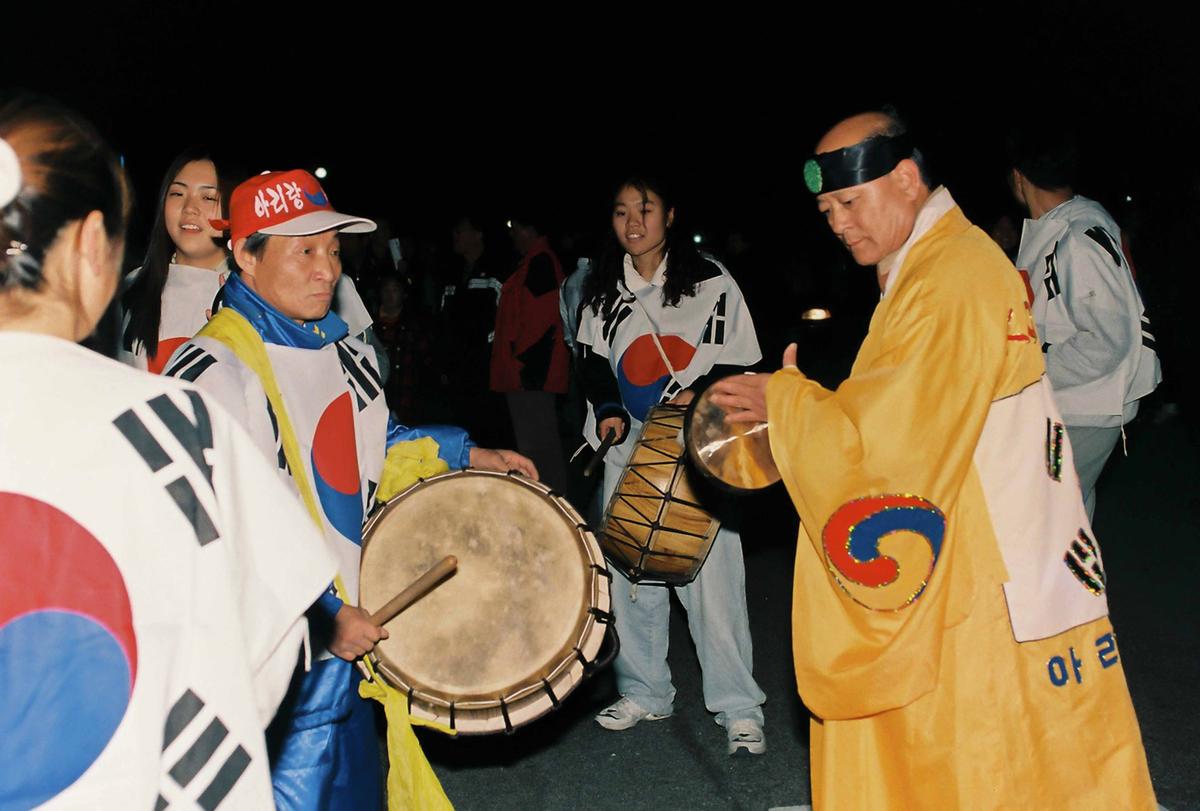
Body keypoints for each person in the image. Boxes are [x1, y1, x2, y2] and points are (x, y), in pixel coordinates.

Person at [712, 111, 1156, 808]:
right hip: (1006, 547)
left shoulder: (948, 279)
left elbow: (891, 449)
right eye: (827, 209)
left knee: (969, 754)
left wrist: (790, 404)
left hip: (982, 569)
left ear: (908, 180)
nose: (836, 221)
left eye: (849, 202)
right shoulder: (938, 262)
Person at [0, 95, 335, 808]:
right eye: (175, 193)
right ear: (94, 244)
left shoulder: (253, 311)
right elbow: (263, 638)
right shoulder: (175, 412)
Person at [165, 168, 536, 809]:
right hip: (275, 658)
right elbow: (225, 526)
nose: (326, 269)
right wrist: (324, 615)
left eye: (333, 250)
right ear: (246, 257)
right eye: (303, 250)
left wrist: (470, 452)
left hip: (352, 638)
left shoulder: (348, 355)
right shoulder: (213, 370)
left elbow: (380, 442)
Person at [577, 176, 767, 755]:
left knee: (714, 583)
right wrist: (608, 408)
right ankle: (646, 691)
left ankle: (738, 707)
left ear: (670, 215)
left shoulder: (710, 283)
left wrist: (701, 392)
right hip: (631, 444)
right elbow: (591, 361)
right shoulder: (603, 290)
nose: (633, 222)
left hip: (698, 450)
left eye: (645, 209)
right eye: (620, 212)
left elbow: (744, 360)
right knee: (631, 571)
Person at [119, 148, 379, 374]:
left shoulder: (302, 283)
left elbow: (374, 369)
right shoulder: (129, 286)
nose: (190, 208)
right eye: (177, 194)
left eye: (208, 197)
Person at [1009, 131, 1161, 519]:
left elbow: (1106, 339)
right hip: (1073, 403)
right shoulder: (1066, 226)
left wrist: (1027, 369)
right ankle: (1077, 579)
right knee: (1066, 518)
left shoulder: (1078, 237)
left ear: (1019, 177)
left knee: (1045, 520)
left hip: (1085, 408)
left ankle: (1063, 581)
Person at [491, 213, 570, 492]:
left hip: (531, 378)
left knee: (540, 454)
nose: (511, 234)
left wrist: (526, 370)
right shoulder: (532, 262)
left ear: (529, 229)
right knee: (538, 451)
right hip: (527, 376)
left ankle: (555, 515)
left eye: (515, 227)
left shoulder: (540, 262)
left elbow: (542, 320)